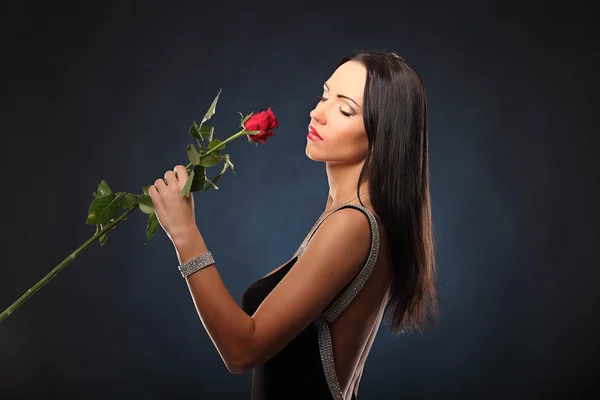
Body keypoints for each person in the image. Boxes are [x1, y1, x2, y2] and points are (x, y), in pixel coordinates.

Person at [148, 50, 438, 400]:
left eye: (344, 109)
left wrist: (184, 234)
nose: (317, 112)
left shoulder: (353, 223)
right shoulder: (352, 214)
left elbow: (243, 350)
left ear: (382, 137)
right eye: (324, 95)